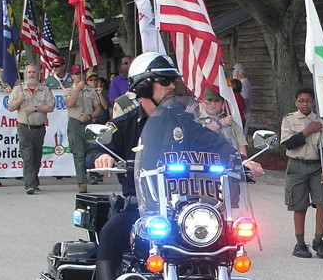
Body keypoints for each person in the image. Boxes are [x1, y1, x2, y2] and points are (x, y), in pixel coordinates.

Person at [87, 52, 262, 280]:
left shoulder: (186, 124)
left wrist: (242, 161)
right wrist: (101, 156)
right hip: (141, 208)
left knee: (228, 238)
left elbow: (219, 147)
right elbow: (93, 150)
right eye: (164, 81)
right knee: (111, 231)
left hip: (185, 207)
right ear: (143, 86)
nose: (171, 86)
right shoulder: (124, 125)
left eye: (172, 81)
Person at [280, 86, 323, 259]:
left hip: (316, 166)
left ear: (313, 102)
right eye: (301, 101)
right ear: (295, 102)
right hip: (297, 166)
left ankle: (318, 240)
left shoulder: (320, 121)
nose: (305, 104)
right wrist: (308, 130)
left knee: (322, 202)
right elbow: (289, 144)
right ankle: (300, 243)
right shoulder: (289, 120)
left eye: (309, 101)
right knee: (299, 205)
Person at [9, 64, 55, 195]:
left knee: (36, 155)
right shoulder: (18, 89)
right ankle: (30, 184)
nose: (31, 74)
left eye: (34, 72)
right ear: (25, 74)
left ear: (38, 74)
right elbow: (10, 107)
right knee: (27, 155)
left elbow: (50, 107)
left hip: (39, 128)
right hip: (24, 127)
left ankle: (34, 180)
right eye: (29, 72)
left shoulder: (45, 90)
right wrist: (19, 100)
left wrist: (35, 108)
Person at [64, 64, 102, 193]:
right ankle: (82, 182)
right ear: (72, 76)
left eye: (81, 73)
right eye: (76, 74)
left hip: (88, 123)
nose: (79, 76)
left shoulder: (91, 91)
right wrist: (78, 89)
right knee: (78, 154)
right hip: (75, 124)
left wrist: (89, 116)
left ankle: (93, 175)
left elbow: (98, 109)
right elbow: (70, 103)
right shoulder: (68, 91)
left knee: (91, 151)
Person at [195, 88, 248, 156]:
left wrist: (243, 159)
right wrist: (220, 123)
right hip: (205, 159)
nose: (213, 104)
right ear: (202, 102)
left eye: (216, 101)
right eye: (209, 100)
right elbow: (199, 135)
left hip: (230, 159)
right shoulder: (196, 121)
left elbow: (241, 144)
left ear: (222, 103)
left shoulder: (230, 120)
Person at [231, 63, 251, 134]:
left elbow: (246, 99)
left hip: (243, 114)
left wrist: (241, 111)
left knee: (241, 134)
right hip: (242, 113)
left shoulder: (243, 83)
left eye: (234, 71)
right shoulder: (243, 82)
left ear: (238, 72)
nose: (232, 73)